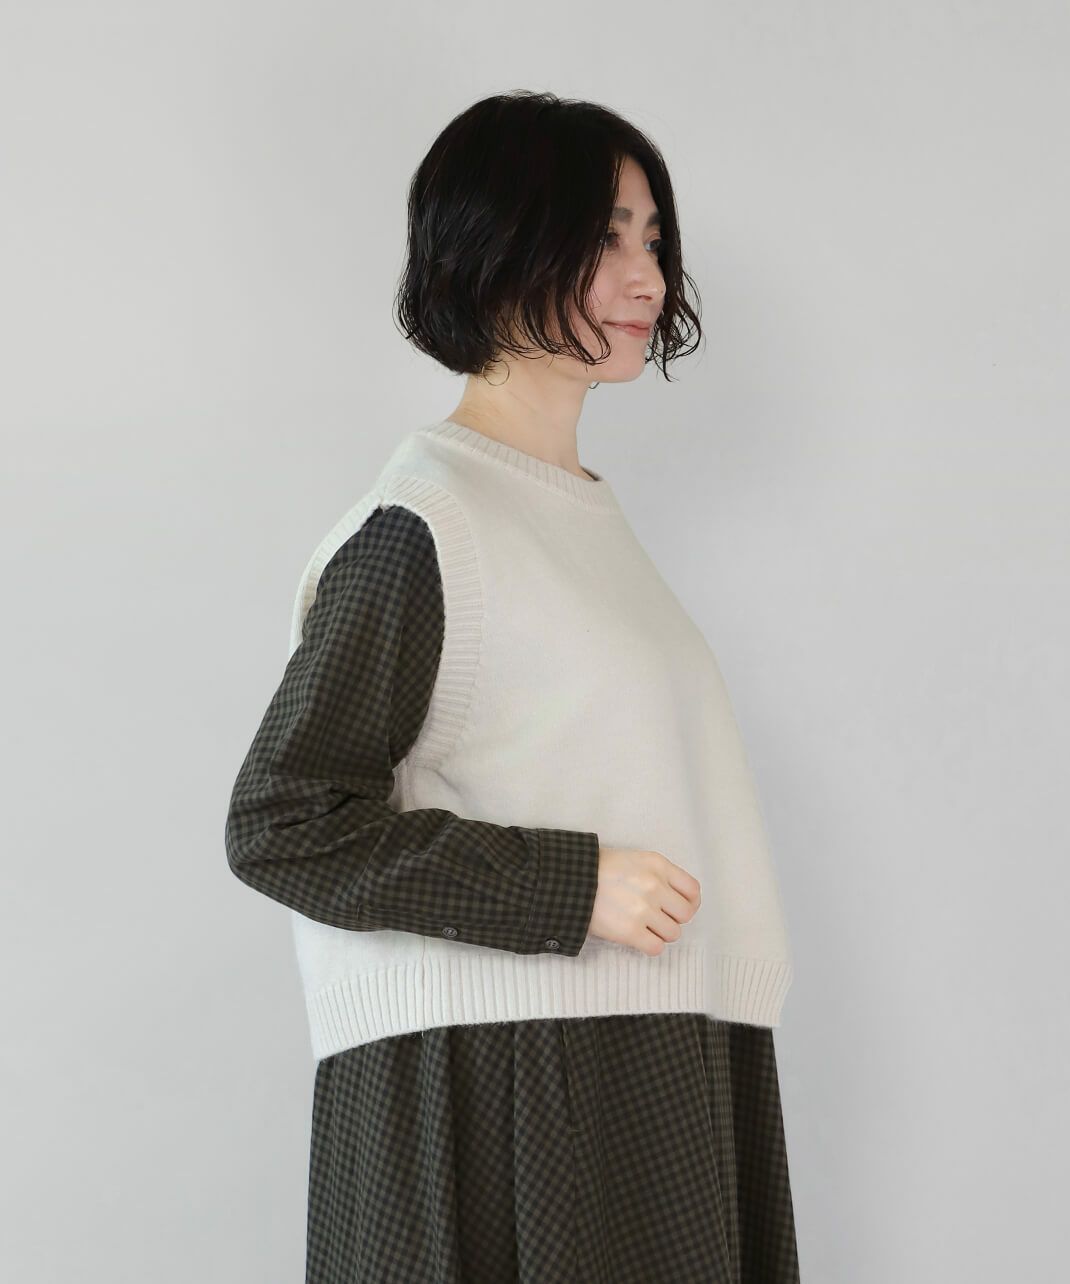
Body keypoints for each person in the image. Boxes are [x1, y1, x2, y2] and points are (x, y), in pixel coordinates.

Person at [225, 89, 800, 1283]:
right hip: (515, 1085)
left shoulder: (571, 517)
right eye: (602, 238)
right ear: (495, 250)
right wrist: (566, 885)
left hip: (639, 1060)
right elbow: (284, 821)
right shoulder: (423, 525)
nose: (645, 277)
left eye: (651, 238)